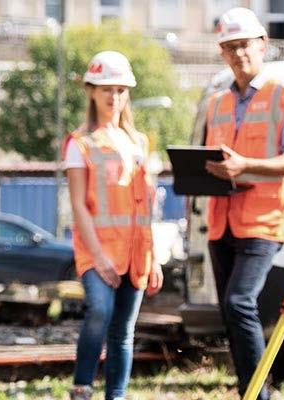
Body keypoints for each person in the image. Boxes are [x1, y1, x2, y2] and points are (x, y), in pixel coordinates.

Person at [201, 8, 284, 399]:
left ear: (262, 45)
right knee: (231, 313)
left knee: (238, 301)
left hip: (265, 218)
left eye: (244, 45)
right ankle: (249, 390)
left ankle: (259, 394)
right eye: (229, 48)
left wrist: (246, 166)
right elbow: (210, 157)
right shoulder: (216, 104)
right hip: (223, 219)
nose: (238, 54)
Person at [63, 50, 164, 400]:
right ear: (91, 90)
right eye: (107, 88)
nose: (114, 96)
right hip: (97, 250)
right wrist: (100, 256)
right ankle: (82, 387)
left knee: (124, 330)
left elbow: (148, 207)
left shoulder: (139, 143)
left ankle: (116, 396)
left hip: (136, 252)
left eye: (121, 89)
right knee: (100, 311)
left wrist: (156, 258)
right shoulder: (80, 144)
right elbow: (78, 205)